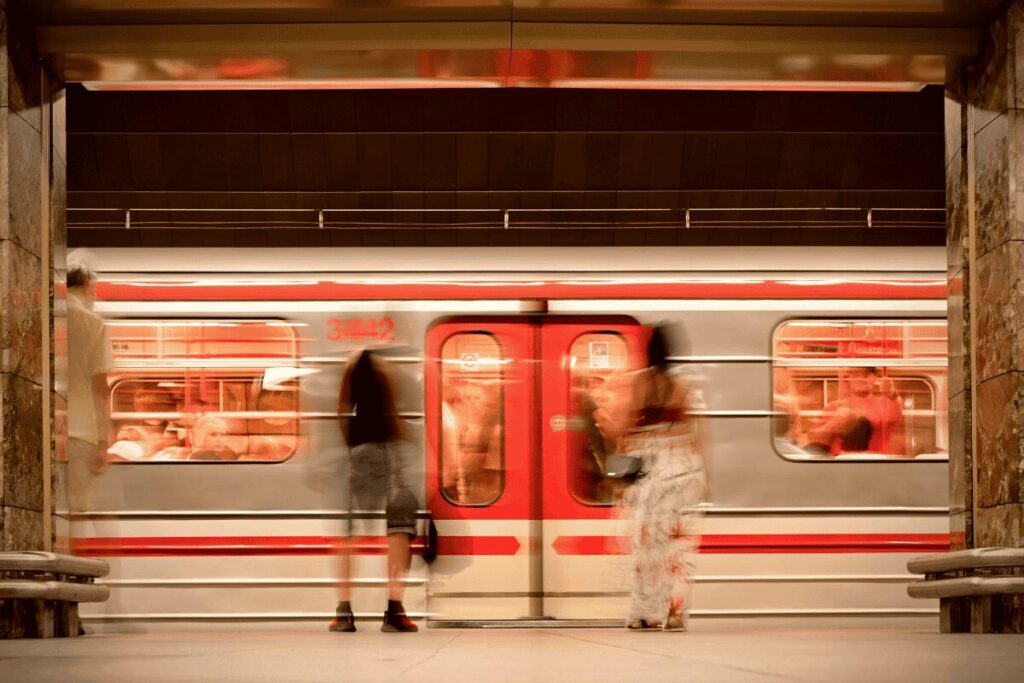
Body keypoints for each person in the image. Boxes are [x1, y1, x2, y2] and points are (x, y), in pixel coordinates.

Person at [621, 325, 707, 632]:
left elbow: (627, 423)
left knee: (647, 546)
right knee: (678, 547)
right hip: (684, 467)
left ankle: (646, 614)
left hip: (653, 468)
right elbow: (697, 431)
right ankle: (674, 614)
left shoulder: (641, 382)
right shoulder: (681, 384)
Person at [330, 349, 418, 633]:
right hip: (387, 454)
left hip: (355, 455)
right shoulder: (384, 366)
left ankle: (344, 613)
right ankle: (394, 611)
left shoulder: (351, 365)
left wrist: (352, 447)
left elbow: (342, 412)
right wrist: (400, 463)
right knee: (398, 531)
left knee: (347, 534)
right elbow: (392, 415)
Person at [67, 263, 113, 515]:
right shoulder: (93, 323)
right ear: (85, 285)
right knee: (79, 513)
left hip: (50, 433)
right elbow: (100, 386)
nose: (95, 295)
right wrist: (104, 442)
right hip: (83, 435)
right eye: (94, 289)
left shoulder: (48, 317)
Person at [802, 366, 904, 457]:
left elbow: (895, 413)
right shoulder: (834, 406)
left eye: (865, 375)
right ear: (848, 379)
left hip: (876, 464)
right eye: (855, 375)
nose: (860, 379)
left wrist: (892, 394)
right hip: (841, 464)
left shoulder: (886, 402)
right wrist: (834, 423)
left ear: (875, 378)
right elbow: (813, 438)